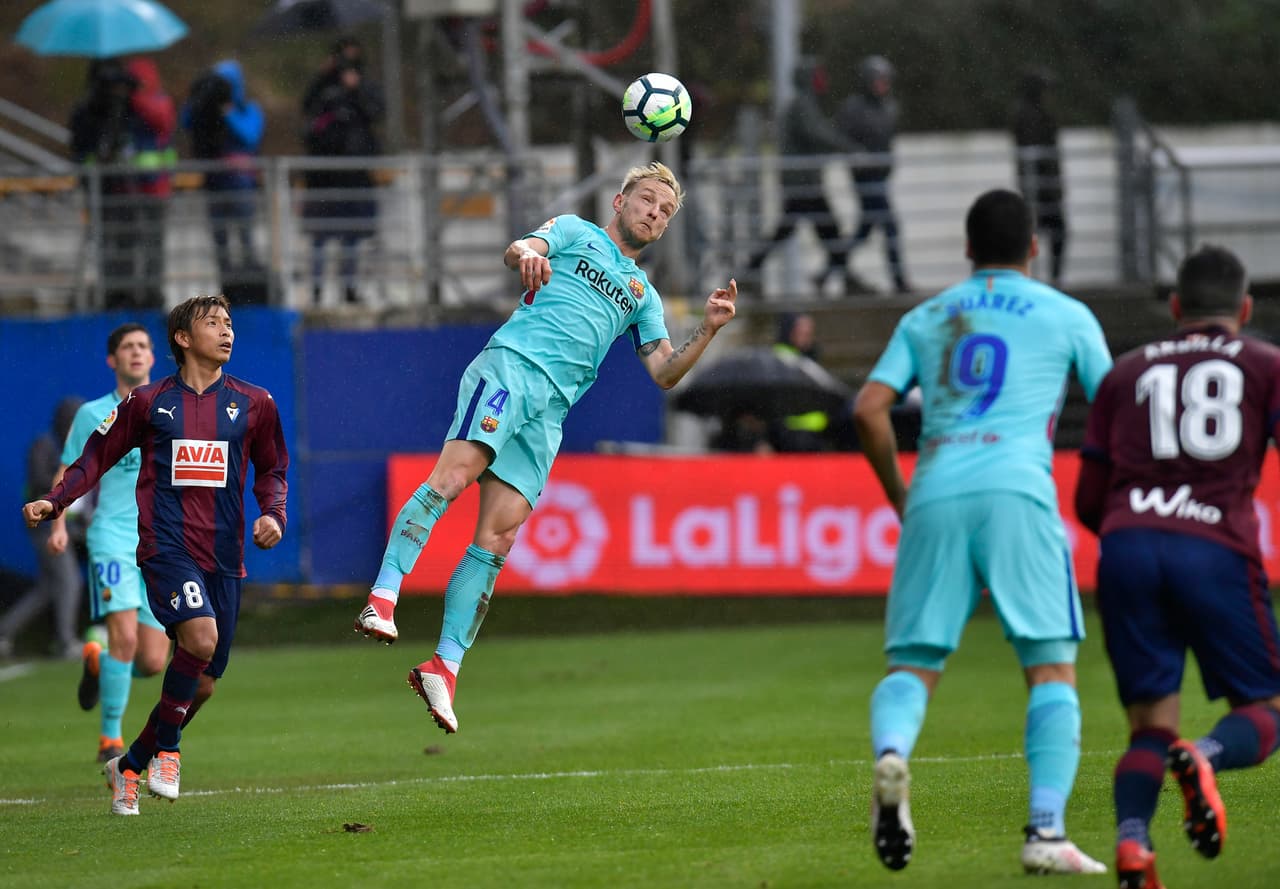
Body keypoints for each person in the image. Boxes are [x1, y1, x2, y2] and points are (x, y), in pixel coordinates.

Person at [353, 162, 738, 733]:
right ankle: (383, 596)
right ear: (620, 200)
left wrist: (708, 328)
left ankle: (444, 666)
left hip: (552, 409)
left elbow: (662, 371)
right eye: (647, 200)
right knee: (453, 479)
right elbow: (520, 247)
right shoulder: (576, 231)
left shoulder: (643, 296)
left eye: (664, 210)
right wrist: (529, 256)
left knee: (500, 536)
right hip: (511, 368)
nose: (654, 212)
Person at [852, 189, 1112, 874]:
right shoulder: (1067, 314)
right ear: (1033, 246)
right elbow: (1114, 407)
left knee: (912, 665)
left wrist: (901, 496)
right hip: (1018, 489)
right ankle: (1046, 831)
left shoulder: (928, 315)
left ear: (967, 250)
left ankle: (893, 757)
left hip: (936, 486)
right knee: (1051, 667)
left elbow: (869, 409)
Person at [22, 294, 289, 816]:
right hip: (166, 547)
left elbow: (273, 469)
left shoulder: (255, 402)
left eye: (230, 323)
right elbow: (94, 458)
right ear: (184, 339)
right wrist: (55, 501)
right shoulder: (148, 403)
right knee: (200, 637)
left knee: (204, 684)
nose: (227, 331)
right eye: (213, 323)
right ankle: (168, 750)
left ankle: (128, 766)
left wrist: (273, 514)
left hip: (224, 555)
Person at [1074, 245, 1280, 888]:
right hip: (1215, 548)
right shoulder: (1267, 364)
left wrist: (1137, 526)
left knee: (1149, 726)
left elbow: (1087, 500)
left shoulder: (1124, 372)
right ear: (1245, 309)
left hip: (1128, 548)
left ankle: (1133, 844)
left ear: (1174, 308)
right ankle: (1208, 754)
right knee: (1268, 708)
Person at [46, 323, 169, 764]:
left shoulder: (169, 410)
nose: (136, 353)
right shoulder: (92, 413)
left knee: (153, 660)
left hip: (159, 544)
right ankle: (111, 740)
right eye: (127, 347)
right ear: (112, 360)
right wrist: (58, 521)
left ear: (153, 358)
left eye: (143, 346)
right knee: (123, 638)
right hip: (112, 538)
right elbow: (68, 471)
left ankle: (98, 663)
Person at [744, 58, 854, 294]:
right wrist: (846, 146)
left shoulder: (803, 104)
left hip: (802, 182)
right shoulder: (803, 105)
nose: (822, 80)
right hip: (804, 184)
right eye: (817, 75)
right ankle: (847, 279)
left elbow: (818, 134)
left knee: (803, 230)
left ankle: (750, 272)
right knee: (829, 230)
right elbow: (816, 134)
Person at [0, 397, 85, 661]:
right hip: (42, 527)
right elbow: (41, 485)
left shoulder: (76, 451)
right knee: (69, 581)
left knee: (49, 587)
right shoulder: (45, 447)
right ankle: (65, 642)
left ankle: (4, 633)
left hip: (65, 527)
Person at [182, 62, 267, 300]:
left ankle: (251, 288)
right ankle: (229, 288)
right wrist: (198, 99)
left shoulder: (248, 109)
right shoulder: (206, 110)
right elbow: (187, 123)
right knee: (220, 243)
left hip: (242, 186)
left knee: (246, 238)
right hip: (215, 184)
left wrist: (227, 112)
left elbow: (250, 136)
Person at [303, 59, 383, 305]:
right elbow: (311, 129)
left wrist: (356, 93)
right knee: (321, 238)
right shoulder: (325, 99)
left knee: (352, 238)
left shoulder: (361, 99)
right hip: (325, 183)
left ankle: (349, 287)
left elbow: (375, 114)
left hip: (354, 181)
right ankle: (316, 289)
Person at [69, 60, 141, 308]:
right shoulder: (85, 112)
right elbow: (81, 149)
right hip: (99, 190)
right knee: (104, 241)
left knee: (127, 240)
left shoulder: (122, 110)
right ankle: (110, 292)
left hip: (123, 187)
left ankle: (127, 291)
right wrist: (100, 155)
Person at [837, 55, 911, 295]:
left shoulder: (888, 106)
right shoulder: (854, 108)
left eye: (885, 79)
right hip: (865, 179)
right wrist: (861, 157)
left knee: (863, 231)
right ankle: (899, 281)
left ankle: (828, 268)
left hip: (880, 178)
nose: (883, 84)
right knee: (890, 228)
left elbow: (887, 140)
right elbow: (845, 141)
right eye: (878, 79)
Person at [122, 59, 178, 308]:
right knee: (129, 243)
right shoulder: (124, 106)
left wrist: (134, 99)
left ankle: (151, 291)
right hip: (127, 189)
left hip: (155, 187)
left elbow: (161, 121)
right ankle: (129, 292)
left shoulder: (157, 102)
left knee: (153, 243)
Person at [1012, 68, 1067, 286]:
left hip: (1044, 187)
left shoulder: (1037, 114)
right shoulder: (1028, 115)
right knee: (1043, 233)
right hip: (1039, 188)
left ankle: (1051, 278)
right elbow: (1035, 153)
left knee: (1052, 233)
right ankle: (1046, 279)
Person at [769, 312, 835, 452]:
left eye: (809, 331)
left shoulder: (807, 356)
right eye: (802, 331)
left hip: (814, 432)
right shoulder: (783, 357)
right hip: (793, 434)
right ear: (790, 331)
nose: (807, 335)